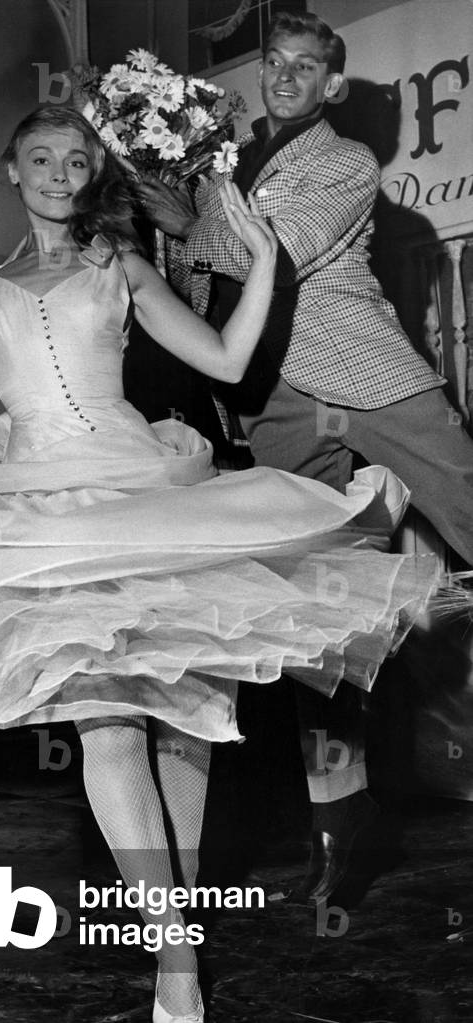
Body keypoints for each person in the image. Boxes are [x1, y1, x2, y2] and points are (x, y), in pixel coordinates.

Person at [0, 106, 440, 1022]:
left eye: (75, 160)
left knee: (185, 720)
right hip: (37, 513)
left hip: (144, 496)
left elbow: (229, 361)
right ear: (11, 169)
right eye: (40, 157)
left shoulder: (121, 266)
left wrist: (267, 265)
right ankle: (177, 961)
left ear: (88, 175)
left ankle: (173, 938)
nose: (58, 173)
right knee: (109, 724)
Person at [138, 8, 473, 904]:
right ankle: (341, 812)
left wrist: (186, 218)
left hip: (371, 376)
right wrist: (174, 224)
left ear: (331, 86)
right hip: (279, 401)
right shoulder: (231, 164)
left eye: (304, 66)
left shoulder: (346, 160)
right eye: (273, 63)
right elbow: (198, 290)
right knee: (311, 612)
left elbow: (270, 256)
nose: (284, 76)